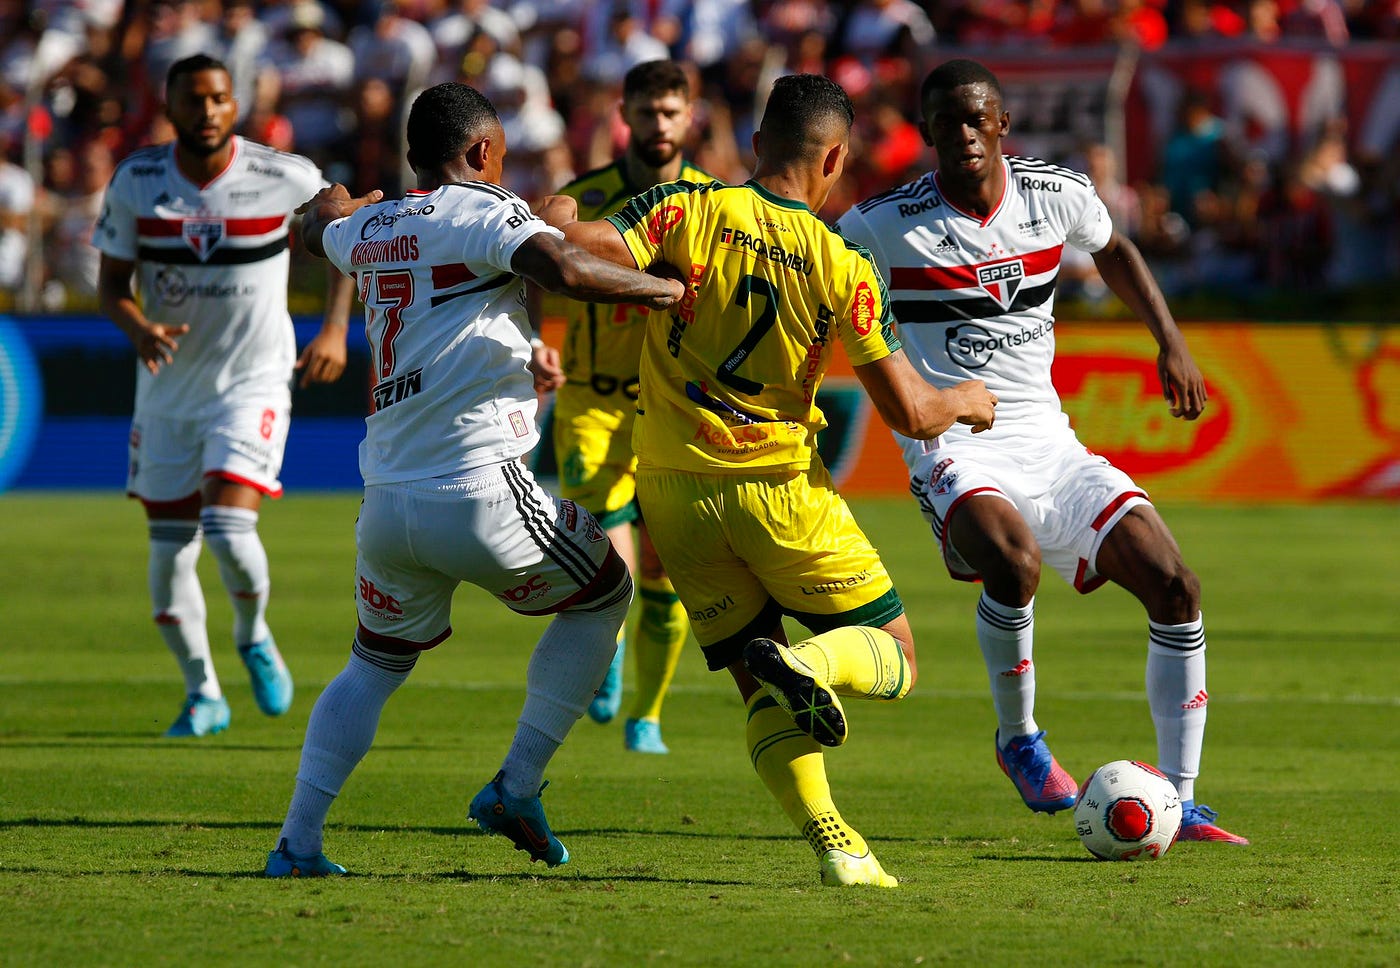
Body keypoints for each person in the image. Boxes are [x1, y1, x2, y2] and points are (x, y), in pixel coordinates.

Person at [539, 73, 997, 887]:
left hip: (674, 495)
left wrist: (561, 212)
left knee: (759, 678)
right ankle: (817, 667)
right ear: (836, 161)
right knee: (895, 657)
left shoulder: (690, 209)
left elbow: (570, 248)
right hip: (780, 494)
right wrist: (967, 399)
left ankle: (838, 847)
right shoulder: (842, 261)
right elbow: (913, 415)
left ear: (755, 146)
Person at [262, 80, 685, 877]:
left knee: (373, 665)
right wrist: (664, 289)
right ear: (485, 152)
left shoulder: (372, 227)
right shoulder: (488, 210)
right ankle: (517, 785)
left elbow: (315, 229)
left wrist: (330, 203)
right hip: (482, 487)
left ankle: (297, 843)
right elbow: (561, 267)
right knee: (606, 594)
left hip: (387, 502)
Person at [835, 58, 1248, 844]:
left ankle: (1182, 799)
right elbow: (819, 294)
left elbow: (1117, 249)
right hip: (952, 441)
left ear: (1001, 126)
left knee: (1176, 586)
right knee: (1013, 561)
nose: (961, 133)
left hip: (1049, 441)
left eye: (974, 118)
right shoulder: (879, 225)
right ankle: (1019, 738)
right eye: (945, 120)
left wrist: (1172, 343)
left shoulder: (1054, 195)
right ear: (926, 133)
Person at [94, 54, 356, 738]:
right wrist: (138, 327)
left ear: (232, 105)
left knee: (229, 528)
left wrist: (333, 329)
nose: (206, 111)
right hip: (167, 391)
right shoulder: (138, 181)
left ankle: (252, 632)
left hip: (253, 381)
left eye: (217, 99)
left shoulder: (281, 173)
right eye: (192, 100)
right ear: (170, 106)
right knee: (168, 549)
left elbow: (347, 223)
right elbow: (111, 284)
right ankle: (203, 690)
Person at [538, 59, 718, 754]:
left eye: (672, 112)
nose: (659, 125)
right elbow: (534, 264)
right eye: (647, 112)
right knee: (609, 547)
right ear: (625, 114)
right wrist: (531, 340)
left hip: (675, 408)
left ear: (691, 115)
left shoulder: (715, 203)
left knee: (668, 574)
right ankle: (608, 648)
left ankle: (648, 715)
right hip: (594, 402)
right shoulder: (582, 199)